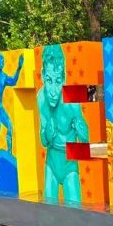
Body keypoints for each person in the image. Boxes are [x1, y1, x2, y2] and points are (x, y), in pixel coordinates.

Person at [38, 45, 89, 204]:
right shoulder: (41, 97)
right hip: (51, 163)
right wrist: (47, 132)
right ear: (42, 76)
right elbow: (44, 141)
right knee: (49, 214)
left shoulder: (72, 100)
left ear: (64, 79)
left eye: (58, 81)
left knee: (75, 213)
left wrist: (82, 132)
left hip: (69, 166)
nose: (53, 90)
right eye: (49, 80)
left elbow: (86, 140)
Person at [0, 52, 23, 153]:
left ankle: (9, 152)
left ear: (4, 63)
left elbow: (13, 81)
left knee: (10, 125)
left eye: (2, 60)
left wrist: (19, 68)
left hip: (0, 105)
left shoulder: (4, 76)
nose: (1, 62)